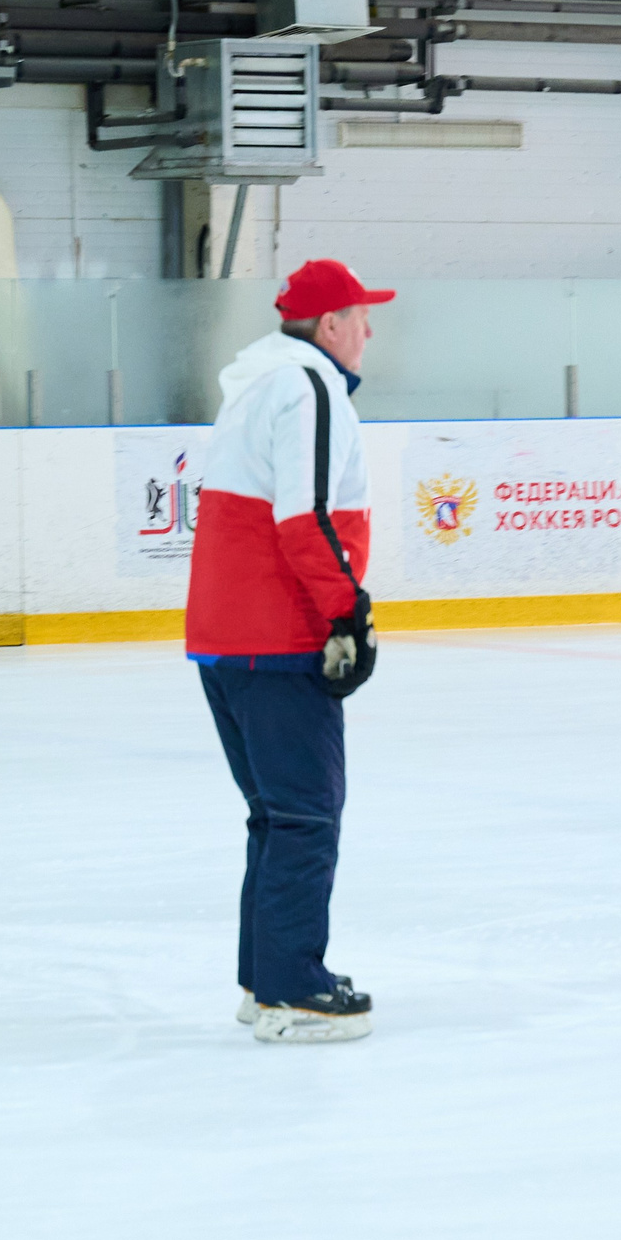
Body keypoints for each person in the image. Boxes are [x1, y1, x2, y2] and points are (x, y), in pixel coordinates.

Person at [185, 259, 390, 1044]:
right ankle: (293, 991)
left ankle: (263, 979)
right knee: (306, 815)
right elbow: (305, 517)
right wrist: (347, 613)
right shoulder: (309, 385)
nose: (369, 332)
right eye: (362, 317)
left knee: (275, 816)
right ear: (330, 325)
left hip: (227, 639)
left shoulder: (258, 383)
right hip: (276, 636)